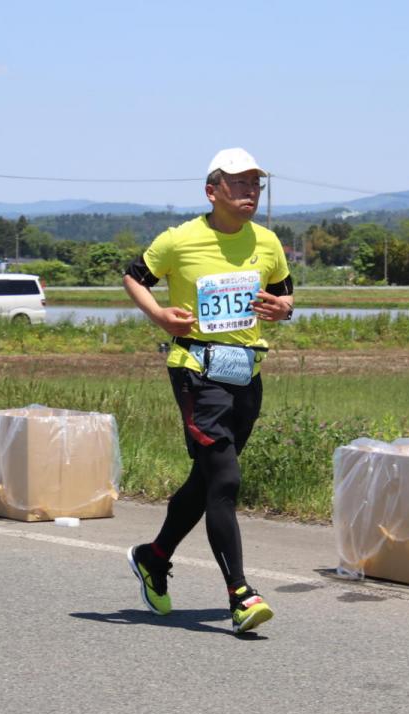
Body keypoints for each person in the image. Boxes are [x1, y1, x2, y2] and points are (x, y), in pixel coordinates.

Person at [122, 147, 294, 635]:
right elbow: (134, 276)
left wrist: (284, 310)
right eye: (238, 185)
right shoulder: (180, 240)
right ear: (211, 190)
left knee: (207, 481)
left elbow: (285, 293)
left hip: (246, 371)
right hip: (195, 370)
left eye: (255, 185)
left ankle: (153, 557)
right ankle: (241, 593)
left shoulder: (268, 242)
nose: (249, 193)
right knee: (226, 479)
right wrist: (157, 314)